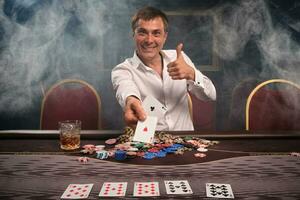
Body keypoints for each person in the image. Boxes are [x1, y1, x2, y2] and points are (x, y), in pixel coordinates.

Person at [111, 6, 216, 131]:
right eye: (142, 32)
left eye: (156, 33)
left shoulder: (179, 58)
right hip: (149, 145)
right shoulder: (122, 70)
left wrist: (191, 74)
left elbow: (210, 96)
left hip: (185, 142)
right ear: (133, 34)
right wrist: (131, 101)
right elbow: (126, 89)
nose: (149, 40)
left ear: (164, 36)